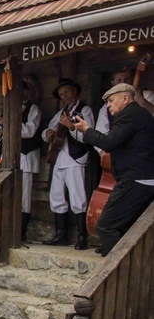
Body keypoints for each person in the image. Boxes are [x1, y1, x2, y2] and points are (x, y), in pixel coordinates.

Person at [72, 83, 154, 256]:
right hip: (142, 179)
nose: (108, 105)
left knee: (105, 225)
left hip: (135, 179)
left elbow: (109, 143)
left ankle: (116, 269)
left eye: (111, 100)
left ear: (125, 98)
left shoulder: (130, 114)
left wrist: (87, 130)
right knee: (126, 227)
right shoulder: (139, 115)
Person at [41, 78, 95, 250]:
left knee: (78, 197)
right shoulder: (60, 113)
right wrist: (48, 134)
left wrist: (71, 127)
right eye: (61, 94)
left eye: (67, 93)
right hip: (58, 158)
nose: (64, 96)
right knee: (56, 196)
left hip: (75, 158)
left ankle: (82, 237)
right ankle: (61, 234)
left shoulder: (84, 109)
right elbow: (46, 132)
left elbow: (89, 134)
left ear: (75, 92)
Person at [0, 80, 42, 242]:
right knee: (7, 194)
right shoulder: (7, 109)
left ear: (24, 92)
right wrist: (0, 130)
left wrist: (7, 124)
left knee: (24, 196)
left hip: (26, 157)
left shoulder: (33, 108)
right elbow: (3, 133)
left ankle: (21, 232)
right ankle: (8, 230)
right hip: (9, 157)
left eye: (19, 91)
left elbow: (29, 131)